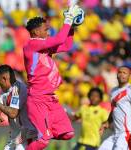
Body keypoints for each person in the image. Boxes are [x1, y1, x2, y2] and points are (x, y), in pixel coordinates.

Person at [23, 5, 83, 150]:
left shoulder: (42, 46)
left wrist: (72, 27)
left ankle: (38, 134)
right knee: (43, 142)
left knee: (68, 133)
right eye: (45, 29)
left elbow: (66, 45)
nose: (48, 32)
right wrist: (68, 20)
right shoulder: (32, 45)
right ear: (36, 32)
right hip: (38, 99)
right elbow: (59, 39)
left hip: (50, 98)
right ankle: (37, 137)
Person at [98, 66, 131, 150]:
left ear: (129, 76)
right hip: (115, 134)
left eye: (124, 73)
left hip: (125, 134)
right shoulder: (113, 91)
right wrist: (107, 123)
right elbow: (114, 110)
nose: (122, 74)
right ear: (117, 75)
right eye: (120, 72)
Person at [0, 65, 37, 150]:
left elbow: (13, 113)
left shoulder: (18, 88)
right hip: (15, 136)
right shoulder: (5, 91)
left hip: (27, 134)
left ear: (4, 78)